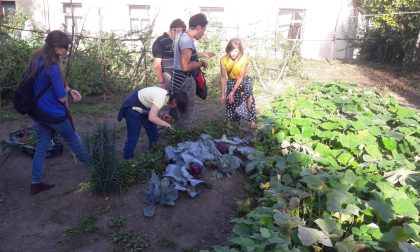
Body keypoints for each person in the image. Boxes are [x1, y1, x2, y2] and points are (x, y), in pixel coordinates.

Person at [23, 30, 89, 194]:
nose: (67, 51)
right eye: (66, 47)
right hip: (53, 114)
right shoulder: (52, 66)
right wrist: (65, 93)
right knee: (73, 138)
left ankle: (36, 182)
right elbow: (60, 97)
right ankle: (96, 170)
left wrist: (70, 90)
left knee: (42, 145)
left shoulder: (37, 58)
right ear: (57, 47)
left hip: (38, 112)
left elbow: (48, 85)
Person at [117, 87, 188, 159]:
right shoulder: (161, 98)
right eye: (177, 106)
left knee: (153, 134)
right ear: (174, 101)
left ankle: (152, 156)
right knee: (133, 136)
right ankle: (128, 160)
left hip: (144, 108)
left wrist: (162, 115)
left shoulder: (167, 96)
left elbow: (153, 104)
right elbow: (152, 117)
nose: (176, 108)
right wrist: (166, 124)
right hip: (132, 109)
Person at [171, 13, 215, 128]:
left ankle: (173, 131)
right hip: (184, 80)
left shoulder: (181, 35)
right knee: (186, 110)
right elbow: (185, 66)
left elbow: (185, 55)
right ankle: (184, 139)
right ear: (199, 27)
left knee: (177, 107)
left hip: (176, 78)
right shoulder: (187, 41)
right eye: (204, 30)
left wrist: (202, 55)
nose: (203, 33)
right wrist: (201, 63)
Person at [220, 38, 257, 129]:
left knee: (248, 96)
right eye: (231, 50)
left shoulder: (244, 59)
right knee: (230, 100)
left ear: (239, 50)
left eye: (236, 51)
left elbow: (240, 77)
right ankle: (233, 121)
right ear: (228, 49)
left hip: (244, 80)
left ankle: (252, 121)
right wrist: (223, 94)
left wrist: (233, 92)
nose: (233, 53)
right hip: (232, 80)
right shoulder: (223, 59)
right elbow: (223, 77)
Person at [152, 18, 186, 90]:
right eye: (179, 33)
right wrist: (161, 82)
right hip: (167, 76)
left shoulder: (177, 41)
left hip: (179, 76)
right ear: (174, 29)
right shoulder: (160, 41)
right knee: (168, 99)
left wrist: (202, 54)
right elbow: (157, 64)